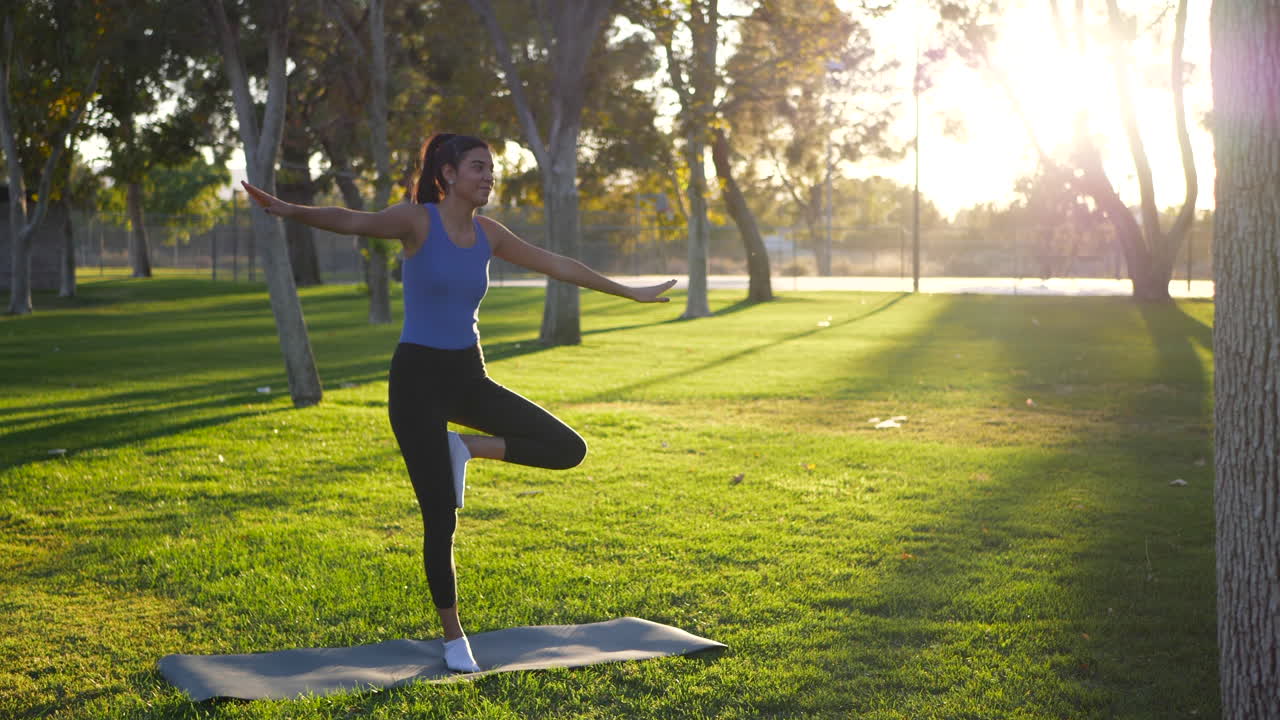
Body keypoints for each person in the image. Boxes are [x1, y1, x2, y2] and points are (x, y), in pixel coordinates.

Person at [241, 133, 675, 673]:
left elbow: (558, 264)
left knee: (568, 448)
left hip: (468, 376)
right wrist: (287, 210)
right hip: (417, 381)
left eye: (491, 170)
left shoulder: (489, 234)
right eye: (477, 168)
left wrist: (629, 292)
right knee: (439, 516)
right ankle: (452, 635)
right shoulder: (416, 221)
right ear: (446, 175)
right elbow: (351, 219)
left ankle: (466, 446)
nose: (488, 177)